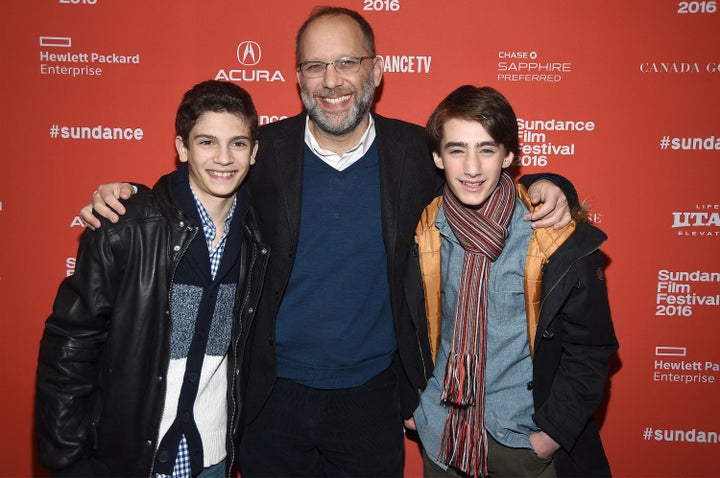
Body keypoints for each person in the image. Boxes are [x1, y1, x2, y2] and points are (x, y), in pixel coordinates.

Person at [80, 7, 574, 477]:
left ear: (377, 71)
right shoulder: (260, 154)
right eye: (315, 66)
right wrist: (130, 195)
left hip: (373, 399)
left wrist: (553, 185)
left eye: (346, 62)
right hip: (269, 397)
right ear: (298, 79)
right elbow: (194, 188)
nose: (331, 81)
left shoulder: (416, 155)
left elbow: (484, 177)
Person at [36, 80, 268, 477]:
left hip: (212, 458)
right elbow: (70, 348)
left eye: (238, 143)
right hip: (128, 458)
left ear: (254, 152)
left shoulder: (257, 236)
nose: (224, 158)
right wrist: (67, 460)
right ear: (182, 148)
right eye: (207, 142)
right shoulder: (124, 227)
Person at [404, 85, 618, 478]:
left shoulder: (553, 236)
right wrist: (413, 405)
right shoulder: (423, 229)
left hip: (522, 440)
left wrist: (552, 434)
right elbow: (397, 321)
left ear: (510, 155)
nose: (471, 167)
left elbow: (590, 349)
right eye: (456, 150)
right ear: (437, 157)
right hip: (440, 434)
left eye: (486, 149)